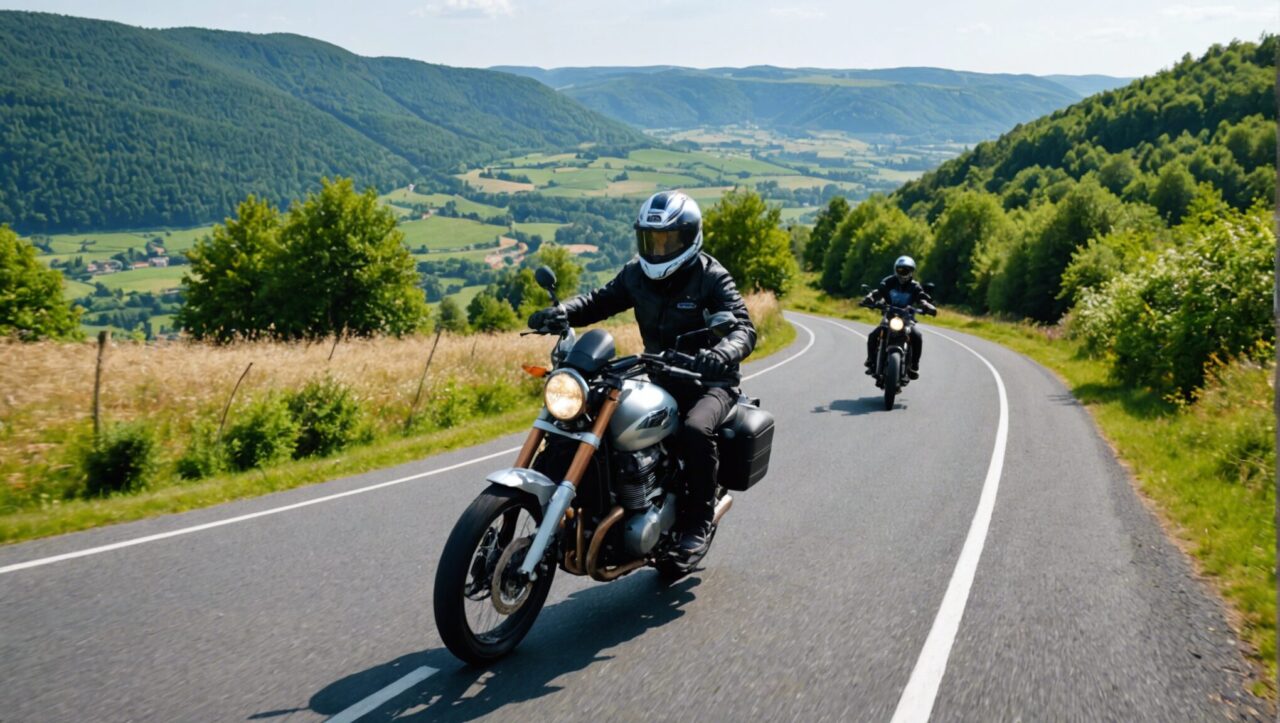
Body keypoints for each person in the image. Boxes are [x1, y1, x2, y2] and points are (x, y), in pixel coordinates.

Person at [527, 190, 756, 558]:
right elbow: (599, 300)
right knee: (594, 416)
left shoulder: (711, 277)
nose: (659, 248)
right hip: (658, 374)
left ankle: (697, 520)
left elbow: (743, 328)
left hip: (708, 382)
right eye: (651, 239)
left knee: (697, 430)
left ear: (690, 237)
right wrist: (563, 313)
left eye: (668, 240)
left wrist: (722, 352)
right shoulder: (637, 274)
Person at [862, 256, 936, 379]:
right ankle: (871, 360)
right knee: (874, 335)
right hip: (889, 316)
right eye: (900, 270)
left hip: (907, 319)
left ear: (911, 272)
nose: (902, 273)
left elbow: (922, 297)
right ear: (895, 270)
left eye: (906, 270)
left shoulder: (915, 286)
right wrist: (870, 298)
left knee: (917, 336)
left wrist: (927, 306)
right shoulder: (888, 281)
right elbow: (878, 291)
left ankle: (914, 366)